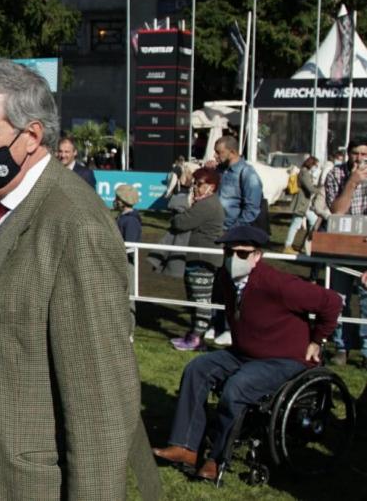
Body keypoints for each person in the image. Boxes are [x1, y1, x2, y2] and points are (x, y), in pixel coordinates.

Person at [0, 59, 160, 500]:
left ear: (31, 136)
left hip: (32, 483)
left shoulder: (74, 225)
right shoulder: (0, 201)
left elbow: (100, 400)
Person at [153, 226, 341, 481]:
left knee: (237, 387)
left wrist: (317, 340)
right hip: (244, 353)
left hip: (284, 358)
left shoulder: (279, 284)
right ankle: (185, 446)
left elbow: (332, 302)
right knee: (197, 369)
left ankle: (216, 459)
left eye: (242, 254)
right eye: (229, 252)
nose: (233, 259)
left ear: (257, 256)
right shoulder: (226, 280)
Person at [168, 168, 225, 351]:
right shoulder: (207, 203)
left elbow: (181, 222)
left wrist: (183, 192)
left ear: (211, 186)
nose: (196, 187)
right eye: (195, 183)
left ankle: (195, 338)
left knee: (200, 301)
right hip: (199, 258)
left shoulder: (207, 204)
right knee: (195, 299)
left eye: (199, 184)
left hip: (203, 260)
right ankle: (194, 336)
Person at [324, 138, 367, 366]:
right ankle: (342, 346)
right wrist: (351, 183)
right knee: (339, 298)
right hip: (340, 246)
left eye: (364, 154)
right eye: (355, 154)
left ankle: (366, 350)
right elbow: (337, 213)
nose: (359, 159)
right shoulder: (335, 175)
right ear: (347, 154)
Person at [214, 135, 264, 231]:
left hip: (229, 230)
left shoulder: (247, 173)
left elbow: (251, 210)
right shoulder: (220, 170)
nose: (215, 156)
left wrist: (233, 231)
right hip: (215, 227)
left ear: (232, 152)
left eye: (218, 152)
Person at [284, 156, 318, 253]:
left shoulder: (304, 172)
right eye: (315, 165)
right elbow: (310, 188)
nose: (316, 167)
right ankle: (288, 246)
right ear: (311, 164)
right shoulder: (305, 173)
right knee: (296, 224)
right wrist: (321, 190)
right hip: (302, 203)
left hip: (304, 203)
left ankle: (305, 244)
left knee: (313, 222)